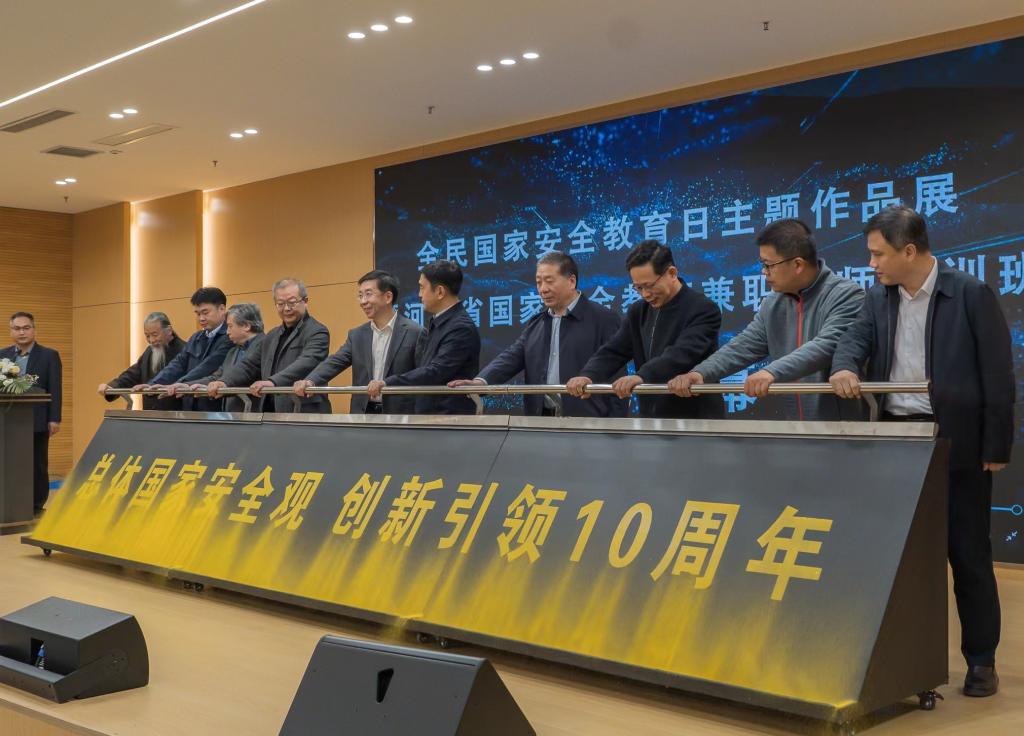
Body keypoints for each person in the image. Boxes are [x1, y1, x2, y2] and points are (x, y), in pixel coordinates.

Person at [830, 205, 1014, 697]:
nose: (871, 264)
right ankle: (906, 661)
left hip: (955, 441)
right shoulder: (877, 298)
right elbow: (852, 341)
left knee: (968, 554)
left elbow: (998, 374)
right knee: (900, 557)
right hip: (896, 441)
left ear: (909, 251)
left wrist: (996, 444)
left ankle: (981, 660)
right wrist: (844, 367)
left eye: (878, 254)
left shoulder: (969, 293)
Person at [668, 219, 864, 420]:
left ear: (797, 264)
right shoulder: (773, 303)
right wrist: (701, 373)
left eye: (769, 265)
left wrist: (771, 372)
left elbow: (826, 345)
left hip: (843, 427)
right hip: (794, 427)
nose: (764, 272)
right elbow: (745, 345)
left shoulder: (846, 295)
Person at [449, 251, 627, 417]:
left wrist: (616, 425)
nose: (543, 289)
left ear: (571, 281)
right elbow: (511, 358)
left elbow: (616, 372)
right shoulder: (537, 323)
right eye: (539, 282)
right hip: (540, 420)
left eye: (549, 281)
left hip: (589, 422)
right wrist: (480, 382)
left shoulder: (603, 319)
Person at [566, 240, 723, 419]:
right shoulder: (639, 311)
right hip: (651, 418)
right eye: (638, 288)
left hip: (696, 418)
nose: (645, 294)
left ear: (672, 273)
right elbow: (614, 350)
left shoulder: (703, 309)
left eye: (650, 286)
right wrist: (589, 375)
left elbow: (681, 354)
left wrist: (642, 376)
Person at [295, 270, 422, 414]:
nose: (363, 301)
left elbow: (421, 375)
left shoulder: (414, 332)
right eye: (360, 295)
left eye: (368, 294)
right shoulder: (357, 335)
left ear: (388, 297)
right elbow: (335, 362)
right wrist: (310, 380)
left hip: (400, 414)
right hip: (363, 413)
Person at [367, 260, 480, 415]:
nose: (419, 294)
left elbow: (435, 371)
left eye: (422, 287)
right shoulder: (440, 321)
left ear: (440, 292)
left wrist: (387, 382)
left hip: (449, 417)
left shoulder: (460, 327)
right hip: (431, 414)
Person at [208, 278, 330, 413]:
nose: (286, 308)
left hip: (304, 410)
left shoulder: (317, 332)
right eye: (280, 304)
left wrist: (273, 382)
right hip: (270, 411)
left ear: (305, 301)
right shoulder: (272, 335)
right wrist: (225, 382)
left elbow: (306, 362)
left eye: (292, 302)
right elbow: (249, 365)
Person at [2, 312, 62, 514]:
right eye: (17, 328)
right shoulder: (3, 355)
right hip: (8, 421)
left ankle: (37, 505)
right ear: (11, 331)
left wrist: (54, 419)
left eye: (26, 328)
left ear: (34, 330)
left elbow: (55, 388)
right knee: (10, 464)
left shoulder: (49, 355)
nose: (22, 332)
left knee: (37, 464)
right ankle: (11, 502)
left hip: (37, 420)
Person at [141, 287, 231, 411]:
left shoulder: (230, 337)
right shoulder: (196, 337)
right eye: (198, 314)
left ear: (221, 309)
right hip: (190, 406)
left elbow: (207, 367)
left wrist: (180, 384)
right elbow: (178, 364)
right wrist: (153, 384)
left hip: (214, 407)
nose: (201, 318)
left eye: (205, 313)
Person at [166, 303, 266, 412]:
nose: (227, 332)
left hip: (258, 415)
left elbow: (245, 371)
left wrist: (222, 383)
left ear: (246, 326)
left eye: (230, 326)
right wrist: (186, 386)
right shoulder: (233, 351)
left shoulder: (266, 345)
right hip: (232, 416)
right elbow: (216, 377)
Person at [98, 312, 186, 411]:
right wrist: (112, 386)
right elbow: (133, 374)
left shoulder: (184, 351)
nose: (151, 340)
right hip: (150, 414)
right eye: (147, 336)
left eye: (155, 335)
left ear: (169, 330)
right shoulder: (150, 351)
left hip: (177, 415)